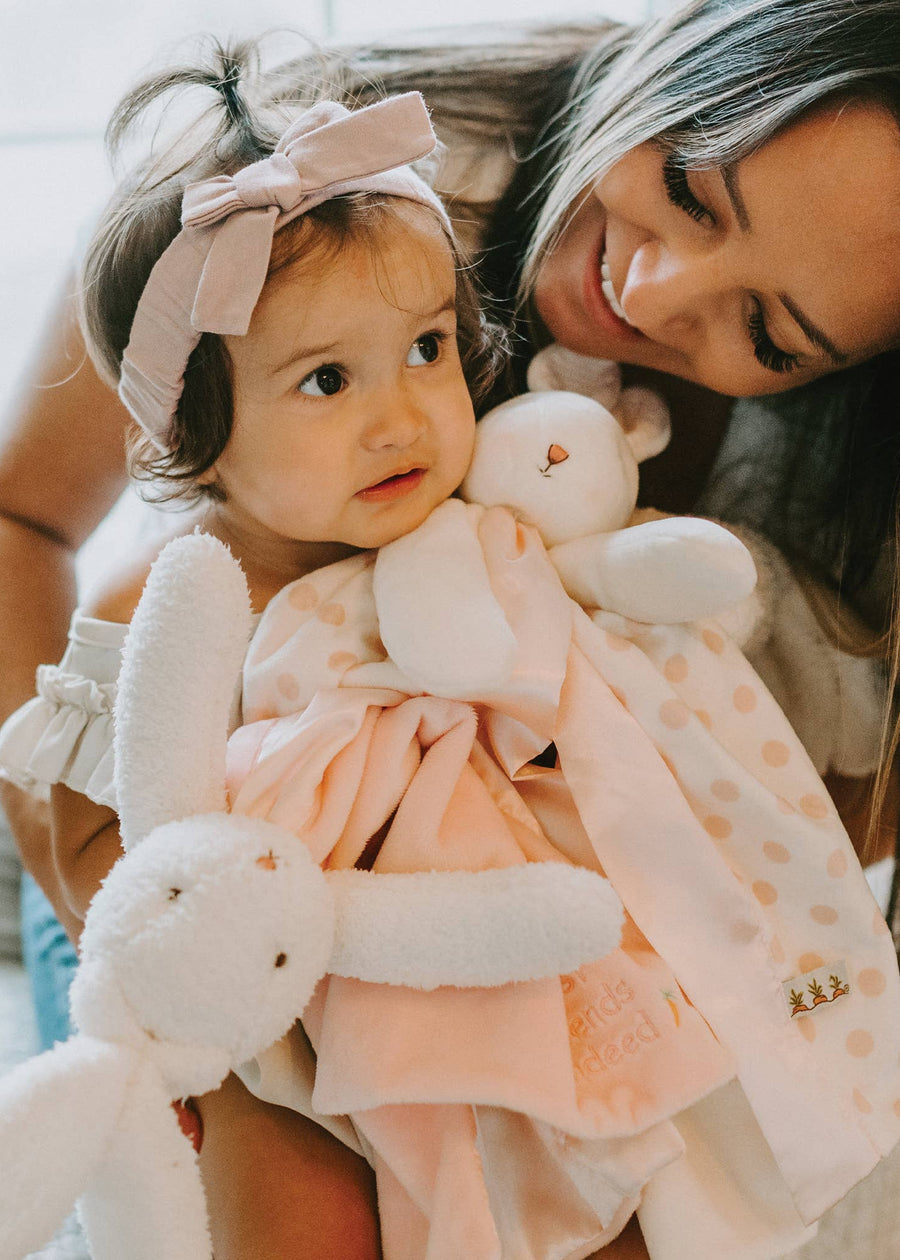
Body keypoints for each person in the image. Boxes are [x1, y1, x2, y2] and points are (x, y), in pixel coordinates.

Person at [1, 0, 900, 1253]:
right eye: (691, 192)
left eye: (768, 333)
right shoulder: (297, 203)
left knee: (617, 1162)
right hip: (225, 946)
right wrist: (194, 977)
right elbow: (77, 797)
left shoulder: (495, 538)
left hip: (476, 934)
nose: (656, 292)